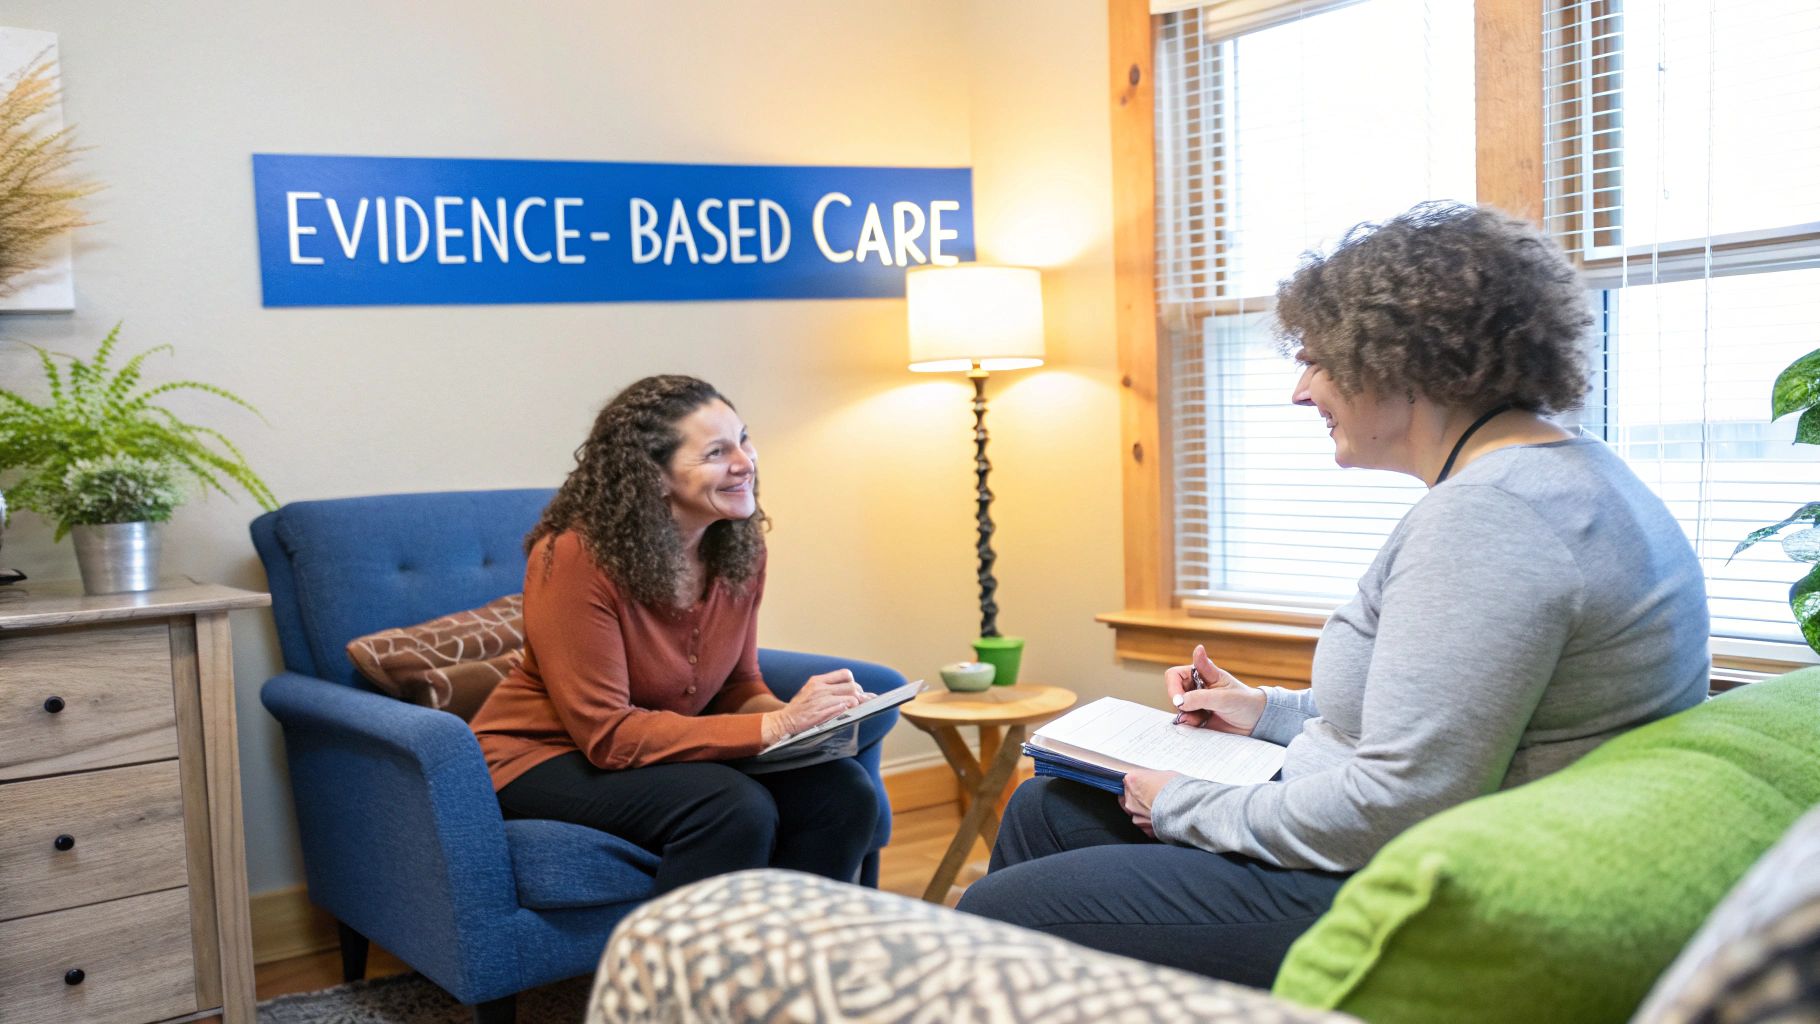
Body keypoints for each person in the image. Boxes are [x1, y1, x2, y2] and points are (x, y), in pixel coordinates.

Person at [955, 202, 1712, 986]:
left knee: (998, 915)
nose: (1299, 390)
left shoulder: (1492, 519)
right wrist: (1265, 713)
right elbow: (1443, 716)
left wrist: (1183, 802)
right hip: (1377, 841)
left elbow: (1397, 805)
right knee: (1047, 811)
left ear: (1400, 360)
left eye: (1316, 360)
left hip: (1395, 889)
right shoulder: (1561, 473)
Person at [468, 374, 879, 895]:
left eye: (744, 439)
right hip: (541, 757)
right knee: (729, 806)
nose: (745, 462)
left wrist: (802, 727)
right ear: (655, 477)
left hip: (650, 747)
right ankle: (680, 974)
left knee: (841, 792)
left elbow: (737, 685)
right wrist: (774, 725)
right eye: (715, 452)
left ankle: (784, 962)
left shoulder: (738, 549)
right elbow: (607, 734)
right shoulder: (574, 556)